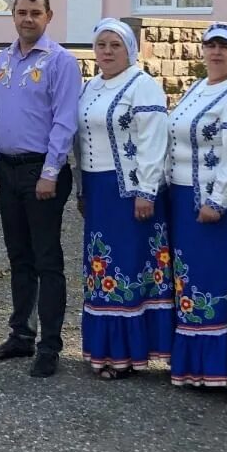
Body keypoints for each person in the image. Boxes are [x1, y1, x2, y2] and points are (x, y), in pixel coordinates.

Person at [0, 0, 79, 378]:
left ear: (48, 16)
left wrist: (51, 172)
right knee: (18, 257)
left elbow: (64, 120)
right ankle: (21, 333)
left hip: (42, 172)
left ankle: (50, 345)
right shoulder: (4, 59)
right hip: (9, 170)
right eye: (21, 12)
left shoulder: (60, 61)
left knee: (47, 259)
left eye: (35, 12)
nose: (27, 19)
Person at [74, 19, 172, 379]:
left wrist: (146, 190)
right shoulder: (91, 85)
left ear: (129, 48)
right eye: (101, 45)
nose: (108, 52)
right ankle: (104, 350)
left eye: (115, 45)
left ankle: (128, 353)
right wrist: (83, 190)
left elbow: (152, 140)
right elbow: (82, 141)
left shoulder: (142, 85)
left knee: (128, 268)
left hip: (130, 191)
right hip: (99, 192)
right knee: (101, 269)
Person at [167, 22, 227, 388]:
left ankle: (211, 367)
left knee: (209, 279)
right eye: (211, 46)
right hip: (183, 197)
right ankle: (191, 363)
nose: (216, 53)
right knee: (189, 280)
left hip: (212, 203)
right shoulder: (199, 87)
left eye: (225, 47)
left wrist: (218, 200)